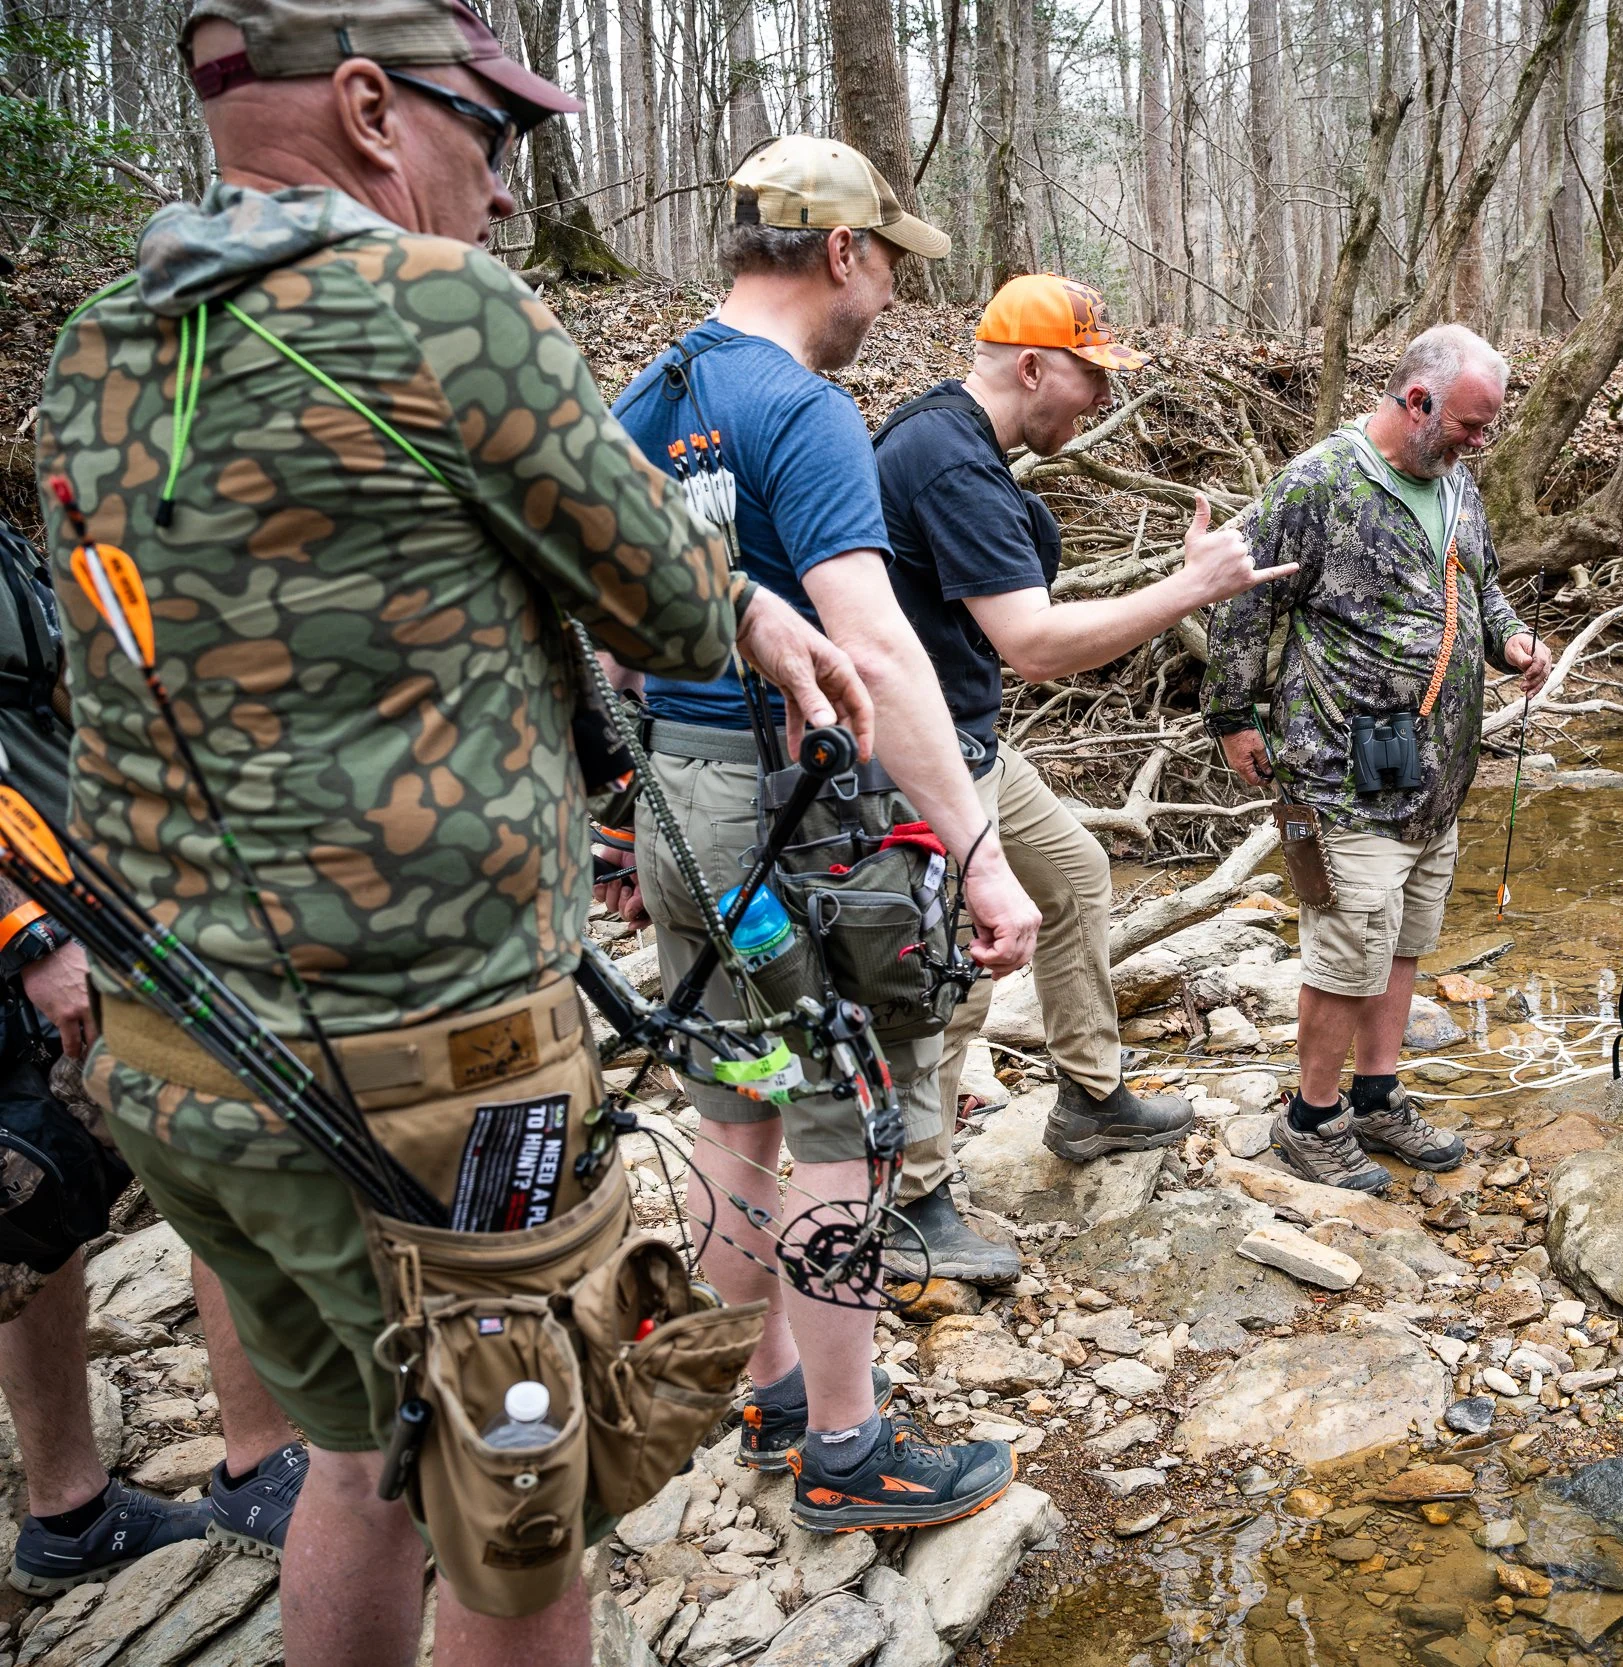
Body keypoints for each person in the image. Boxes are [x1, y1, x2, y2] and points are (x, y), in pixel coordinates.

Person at [37, 5, 869, 1662]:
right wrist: (751, 611)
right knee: (518, 1519)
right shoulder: (442, 308)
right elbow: (664, 605)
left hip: (178, 1057)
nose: (501, 190)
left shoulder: (99, 344)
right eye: (487, 138)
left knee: (362, 1453)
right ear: (367, 107)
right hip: (429, 1082)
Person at [608, 136, 1037, 1528]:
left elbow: (614, 643)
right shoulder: (804, 412)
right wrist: (979, 853)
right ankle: (850, 1453)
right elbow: (879, 654)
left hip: (682, 797)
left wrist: (641, 821)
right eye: (888, 265)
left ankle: (769, 1389)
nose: (892, 297)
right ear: (841, 252)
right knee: (841, 1114)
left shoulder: (640, 400)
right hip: (792, 820)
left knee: (739, 1107)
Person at [872, 273, 1287, 1282]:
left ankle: (1090, 1098)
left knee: (1073, 875)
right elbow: (1035, 646)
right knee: (958, 974)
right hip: (922, 754)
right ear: (1031, 367)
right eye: (1090, 375)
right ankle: (912, 1201)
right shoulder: (949, 462)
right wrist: (1188, 587)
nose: (1101, 397)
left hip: (965, 735)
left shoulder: (958, 441)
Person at [0, 526, 308, 1596]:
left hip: (83, 885)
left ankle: (69, 1510)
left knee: (34, 1197)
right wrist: (28, 930)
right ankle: (262, 1456)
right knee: (213, 1119)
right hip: (49, 925)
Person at [1205, 325, 1554, 1196]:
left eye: (1488, 427)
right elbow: (1242, 599)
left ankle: (1375, 1097)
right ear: (1417, 400)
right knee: (1346, 950)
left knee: (1402, 943)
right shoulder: (1320, 481)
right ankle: (1310, 1119)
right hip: (1340, 771)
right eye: (1470, 424)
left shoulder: (1458, 482)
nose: (1480, 442)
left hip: (1437, 779)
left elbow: (1482, 585)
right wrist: (1233, 717)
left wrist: (1511, 638)